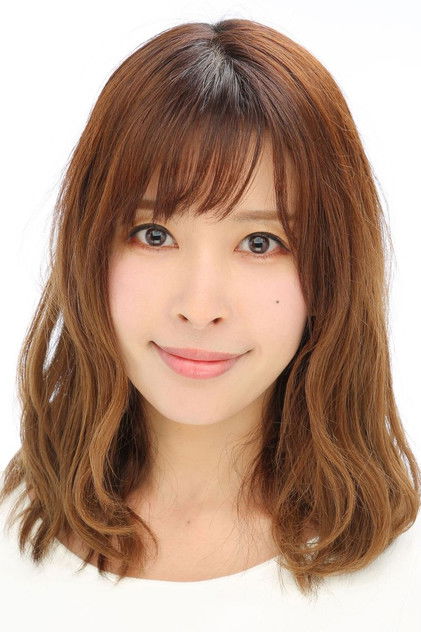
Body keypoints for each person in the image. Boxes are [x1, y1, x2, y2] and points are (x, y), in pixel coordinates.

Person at [0, 17, 420, 631]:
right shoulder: (12, 539)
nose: (199, 307)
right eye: (154, 234)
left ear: (335, 268)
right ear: (87, 249)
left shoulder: (404, 574)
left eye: (260, 242)